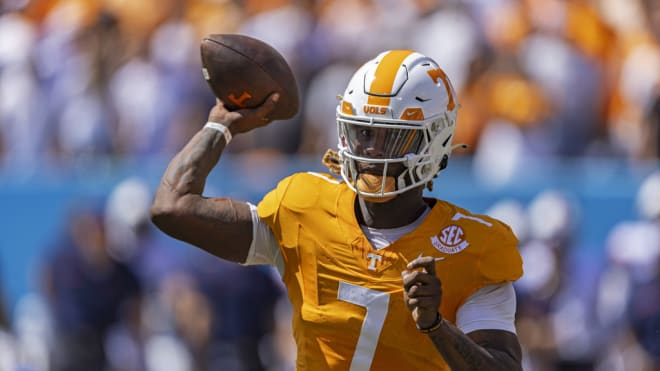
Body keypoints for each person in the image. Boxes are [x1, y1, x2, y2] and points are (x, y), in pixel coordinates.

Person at [152, 50, 524, 370]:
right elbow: (172, 207)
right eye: (364, 133)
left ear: (435, 140)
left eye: (392, 136)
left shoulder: (473, 246)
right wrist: (220, 124)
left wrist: (435, 325)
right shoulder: (303, 207)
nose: (372, 151)